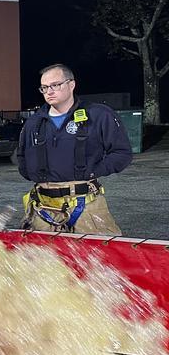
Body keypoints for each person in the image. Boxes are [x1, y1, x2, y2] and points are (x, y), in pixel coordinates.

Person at [17, 63, 132, 234]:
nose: (49, 91)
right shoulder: (34, 123)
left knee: (96, 256)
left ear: (71, 84)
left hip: (86, 206)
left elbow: (122, 153)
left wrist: (92, 171)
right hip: (43, 207)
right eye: (44, 87)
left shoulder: (98, 115)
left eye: (55, 85)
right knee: (44, 257)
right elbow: (21, 157)